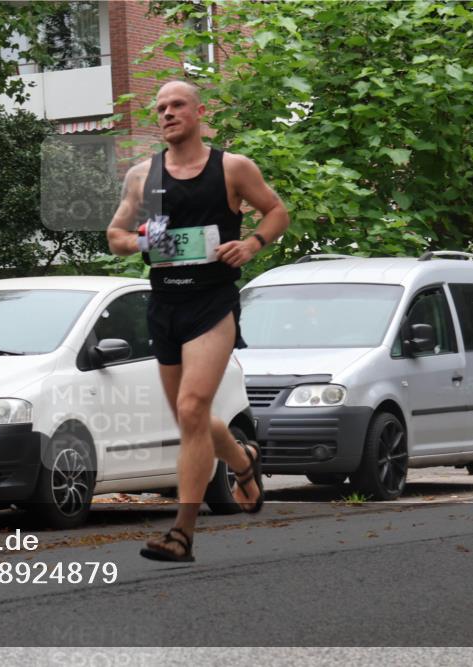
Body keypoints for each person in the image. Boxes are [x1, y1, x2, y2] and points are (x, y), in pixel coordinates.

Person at [106, 80, 290, 562]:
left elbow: (276, 212)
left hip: (212, 302)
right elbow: (115, 235)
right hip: (164, 303)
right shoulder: (142, 176)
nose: (166, 113)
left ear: (199, 112)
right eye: (161, 107)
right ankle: (242, 461)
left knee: (191, 408)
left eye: (177, 105)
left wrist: (251, 244)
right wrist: (141, 241)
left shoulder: (231, 168)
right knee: (191, 416)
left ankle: (182, 532)